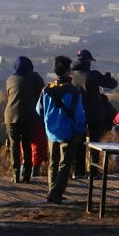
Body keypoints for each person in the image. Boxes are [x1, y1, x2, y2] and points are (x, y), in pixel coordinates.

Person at [39, 56, 87, 205]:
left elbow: (39, 110)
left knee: (53, 163)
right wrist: (80, 131)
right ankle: (56, 192)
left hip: (51, 132)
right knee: (65, 164)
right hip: (68, 133)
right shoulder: (73, 91)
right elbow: (79, 115)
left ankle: (51, 190)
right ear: (68, 71)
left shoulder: (46, 89)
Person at [69, 50, 117, 174]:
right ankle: (93, 170)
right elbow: (113, 84)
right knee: (94, 144)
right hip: (95, 114)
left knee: (79, 144)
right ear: (88, 61)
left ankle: (78, 171)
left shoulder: (70, 75)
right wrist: (107, 78)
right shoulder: (93, 75)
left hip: (77, 114)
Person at [1, 56, 44, 184]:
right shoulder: (34, 77)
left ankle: (15, 175)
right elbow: (42, 93)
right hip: (28, 116)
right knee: (27, 145)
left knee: (14, 145)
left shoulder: (10, 79)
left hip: (10, 115)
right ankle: (26, 176)